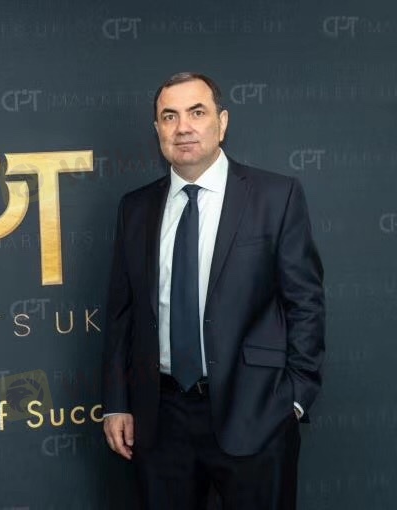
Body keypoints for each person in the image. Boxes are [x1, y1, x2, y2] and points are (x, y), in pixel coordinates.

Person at [102, 72, 324, 509]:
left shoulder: (276, 196)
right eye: (170, 116)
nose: (183, 127)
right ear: (157, 130)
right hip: (159, 418)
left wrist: (295, 399)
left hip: (255, 411)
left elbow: (306, 303)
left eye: (197, 112)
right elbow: (120, 313)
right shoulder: (135, 208)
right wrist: (115, 403)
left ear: (222, 123)